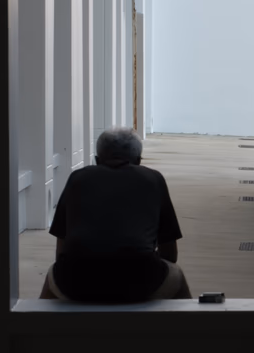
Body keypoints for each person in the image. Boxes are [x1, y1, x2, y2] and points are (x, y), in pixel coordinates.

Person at [39, 126, 192, 303]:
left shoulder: (77, 178)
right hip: (140, 280)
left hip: (77, 280)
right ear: (139, 160)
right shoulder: (153, 179)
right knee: (176, 275)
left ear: (97, 160)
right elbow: (170, 254)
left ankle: (35, 326)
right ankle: (191, 326)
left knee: (54, 276)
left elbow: (62, 250)